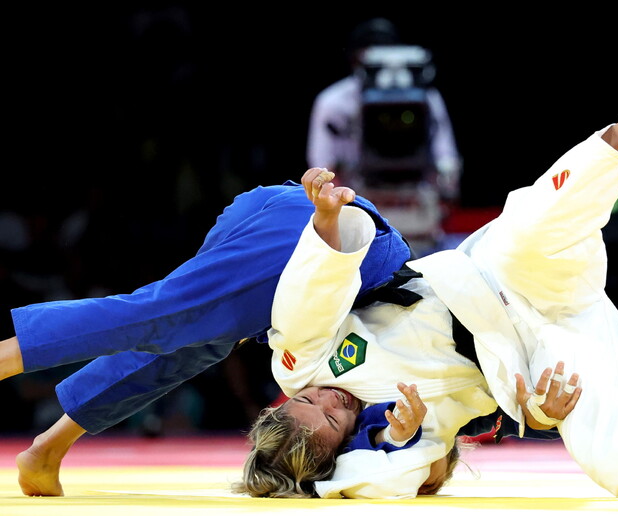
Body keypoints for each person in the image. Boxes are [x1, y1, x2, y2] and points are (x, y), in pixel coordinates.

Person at [243, 49, 618, 499]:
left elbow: (310, 293)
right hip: (542, 350)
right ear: (343, 450)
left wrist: (327, 222)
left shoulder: (302, 364)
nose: (328, 399)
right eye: (333, 420)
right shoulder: (393, 443)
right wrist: (532, 415)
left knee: (529, 226)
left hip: (498, 273)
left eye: (309, 401)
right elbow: (395, 477)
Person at [1, 177, 415, 496]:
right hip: (328, 244)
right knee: (160, 315)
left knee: (190, 345)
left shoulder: (371, 424)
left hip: (285, 237)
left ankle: (48, 448)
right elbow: (416, 458)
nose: (330, 404)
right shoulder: (407, 402)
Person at [306, 17, 462, 254]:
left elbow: (446, 156)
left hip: (418, 207)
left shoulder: (427, 100)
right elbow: (320, 167)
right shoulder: (334, 104)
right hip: (358, 202)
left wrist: (445, 192)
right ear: (356, 60)